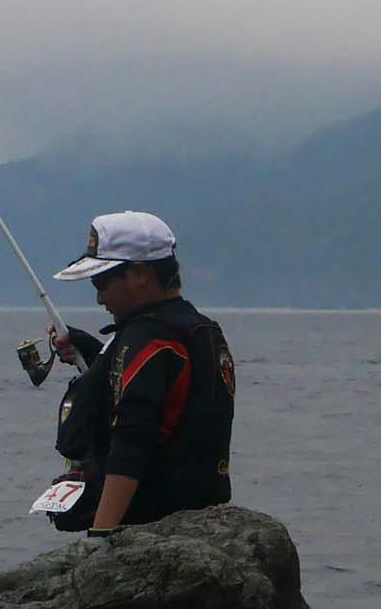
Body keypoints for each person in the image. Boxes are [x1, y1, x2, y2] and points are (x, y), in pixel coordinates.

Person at [21, 211, 235, 535]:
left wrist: (102, 534)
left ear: (139, 275)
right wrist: (93, 352)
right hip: (202, 512)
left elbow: (131, 443)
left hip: (151, 523)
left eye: (102, 282)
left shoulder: (148, 340)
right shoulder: (202, 330)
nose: (98, 297)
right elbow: (171, 399)